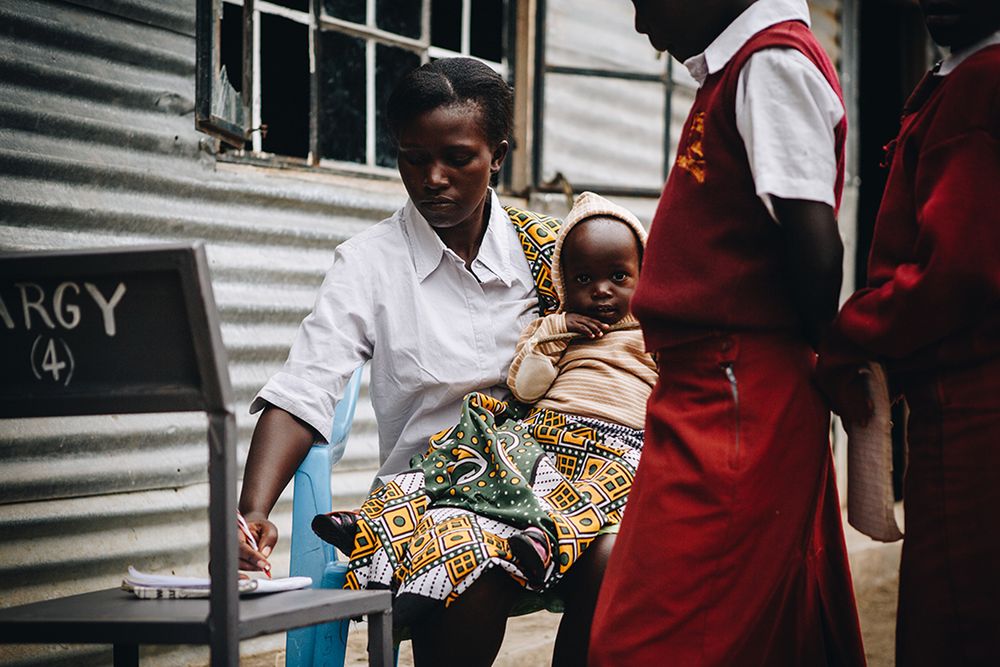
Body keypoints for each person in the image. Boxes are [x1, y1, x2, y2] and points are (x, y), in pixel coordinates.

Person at [236, 57, 608, 666]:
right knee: (475, 566)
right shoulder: (369, 265)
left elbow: (616, 355)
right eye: (412, 156)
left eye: (457, 158)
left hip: (547, 495)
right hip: (426, 504)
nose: (432, 177)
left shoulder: (552, 255)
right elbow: (304, 390)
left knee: (621, 559)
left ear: (498, 155)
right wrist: (252, 514)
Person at [590, 0, 866, 665]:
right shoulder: (740, 69)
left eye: (643, 1)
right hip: (718, 383)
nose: (640, 24)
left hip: (735, 385)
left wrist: (827, 358)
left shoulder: (770, 63)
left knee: (654, 638)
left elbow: (816, 246)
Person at [313, 190, 655, 601]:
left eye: (618, 277)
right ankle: (376, 520)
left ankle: (545, 543)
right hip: (548, 434)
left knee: (598, 495)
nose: (601, 291)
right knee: (466, 454)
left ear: (644, 276)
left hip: (619, 447)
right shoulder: (554, 327)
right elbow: (526, 388)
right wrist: (556, 333)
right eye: (584, 279)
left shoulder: (655, 335)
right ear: (564, 284)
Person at [818, 1, 1000, 663]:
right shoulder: (959, 76)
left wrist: (854, 334)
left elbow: (954, 270)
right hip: (959, 390)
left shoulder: (981, 83)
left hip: (971, 400)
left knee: (959, 608)